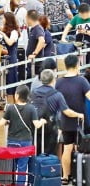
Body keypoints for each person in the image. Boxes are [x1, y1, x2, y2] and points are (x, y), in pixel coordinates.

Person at [0, 85, 46, 184]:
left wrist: (8, 120)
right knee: (22, 168)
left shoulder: (11, 108)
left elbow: (1, 123)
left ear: (17, 95)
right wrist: (42, 121)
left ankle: (10, 183)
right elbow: (36, 125)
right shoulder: (31, 108)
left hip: (12, 141)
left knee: (11, 166)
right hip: (26, 142)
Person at [33, 69, 85, 156]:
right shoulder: (57, 94)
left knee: (36, 155)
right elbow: (66, 111)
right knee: (49, 157)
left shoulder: (33, 92)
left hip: (35, 127)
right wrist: (79, 115)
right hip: (50, 129)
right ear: (53, 80)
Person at [56, 55, 90, 185]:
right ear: (77, 65)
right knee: (81, 148)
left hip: (65, 120)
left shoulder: (59, 82)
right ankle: (79, 176)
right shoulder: (82, 81)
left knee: (67, 147)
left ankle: (65, 176)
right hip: (80, 121)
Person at [0, 12, 20, 100]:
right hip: (3, 59)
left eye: (4, 18)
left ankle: (12, 100)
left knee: (11, 79)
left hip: (11, 58)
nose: (2, 20)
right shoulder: (5, 30)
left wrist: (3, 34)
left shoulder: (14, 32)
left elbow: (10, 42)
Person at [26, 10, 45, 79]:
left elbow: (42, 41)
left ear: (29, 18)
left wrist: (34, 54)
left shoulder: (38, 29)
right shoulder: (34, 29)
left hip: (36, 64)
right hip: (32, 64)